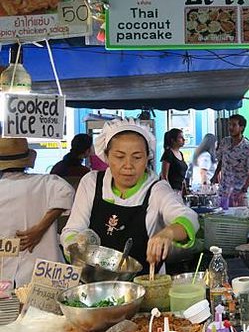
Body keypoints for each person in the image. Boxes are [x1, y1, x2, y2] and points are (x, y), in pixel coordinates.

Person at [61, 118, 199, 274]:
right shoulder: (91, 183)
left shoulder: (156, 189)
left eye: (137, 157)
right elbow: (72, 229)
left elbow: (188, 217)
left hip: (147, 289)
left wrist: (168, 233)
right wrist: (75, 246)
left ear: (148, 157)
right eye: (119, 157)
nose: (128, 165)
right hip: (94, 286)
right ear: (107, 156)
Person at [0, 138, 74, 288]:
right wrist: (41, 228)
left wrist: (40, 229)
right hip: (48, 275)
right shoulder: (48, 182)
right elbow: (67, 192)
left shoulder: (47, 182)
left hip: (8, 277)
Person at [212, 114, 249, 208]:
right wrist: (215, 175)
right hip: (224, 190)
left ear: (241, 128)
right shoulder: (224, 142)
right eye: (229, 124)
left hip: (238, 192)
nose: (230, 127)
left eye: (234, 125)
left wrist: (244, 189)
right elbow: (221, 160)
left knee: (239, 218)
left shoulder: (247, 147)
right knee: (223, 217)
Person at [160, 128, 188, 195]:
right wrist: (169, 192)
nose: (183, 140)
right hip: (171, 190)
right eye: (180, 137)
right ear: (173, 140)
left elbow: (182, 176)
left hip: (180, 190)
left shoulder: (180, 154)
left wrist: (185, 188)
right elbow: (164, 175)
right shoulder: (168, 153)